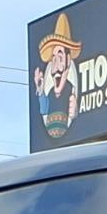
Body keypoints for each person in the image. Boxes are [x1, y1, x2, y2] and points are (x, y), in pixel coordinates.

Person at [33, 12, 81, 141]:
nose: (55, 66)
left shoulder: (71, 91)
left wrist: (75, 115)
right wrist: (40, 89)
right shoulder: (51, 94)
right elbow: (44, 110)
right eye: (53, 58)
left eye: (59, 56)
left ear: (68, 59)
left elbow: (75, 117)